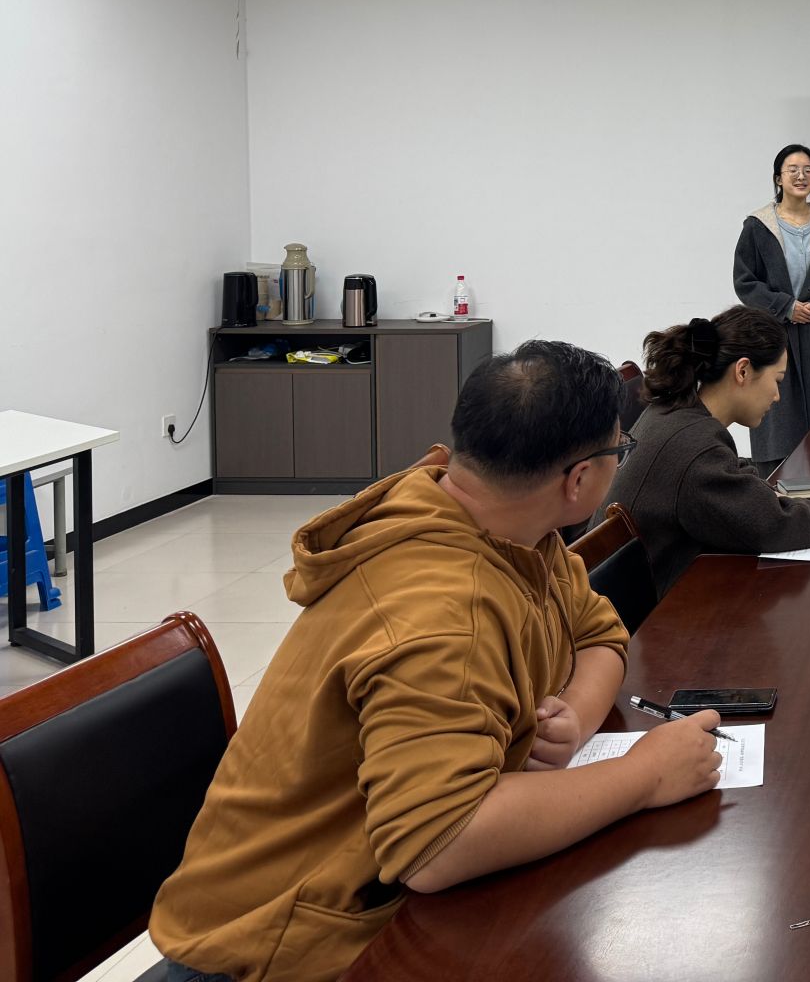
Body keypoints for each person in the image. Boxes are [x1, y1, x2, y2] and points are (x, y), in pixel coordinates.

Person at [143, 341, 725, 982]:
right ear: (579, 479)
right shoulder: (444, 608)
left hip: (369, 900)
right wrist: (644, 776)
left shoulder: (507, 525)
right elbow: (438, 843)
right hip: (276, 949)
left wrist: (576, 718)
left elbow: (600, 632)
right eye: (620, 450)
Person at [610, 307, 810, 595]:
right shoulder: (695, 444)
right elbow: (770, 525)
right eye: (777, 380)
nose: (777, 396)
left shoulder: (674, 413)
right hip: (652, 613)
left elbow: (731, 483)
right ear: (743, 371)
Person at [733, 144, 810, 463]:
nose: (801, 176)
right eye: (793, 170)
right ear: (779, 178)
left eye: (808, 170)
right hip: (776, 332)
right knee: (778, 409)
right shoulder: (758, 226)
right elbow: (745, 281)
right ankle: (776, 479)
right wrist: (787, 307)